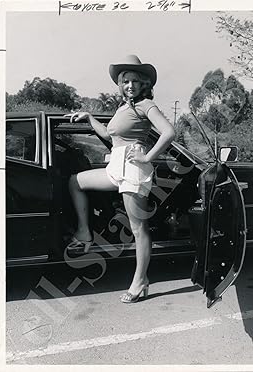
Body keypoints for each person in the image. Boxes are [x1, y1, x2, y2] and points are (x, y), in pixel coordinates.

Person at [65, 55, 175, 303]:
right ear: (120, 83)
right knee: (75, 181)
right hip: (116, 164)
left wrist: (147, 158)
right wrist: (90, 118)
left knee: (138, 229)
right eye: (125, 81)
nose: (130, 85)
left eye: (135, 81)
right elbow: (110, 135)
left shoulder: (146, 105)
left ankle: (140, 281)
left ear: (144, 84)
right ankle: (84, 233)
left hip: (134, 168)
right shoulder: (124, 108)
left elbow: (169, 132)